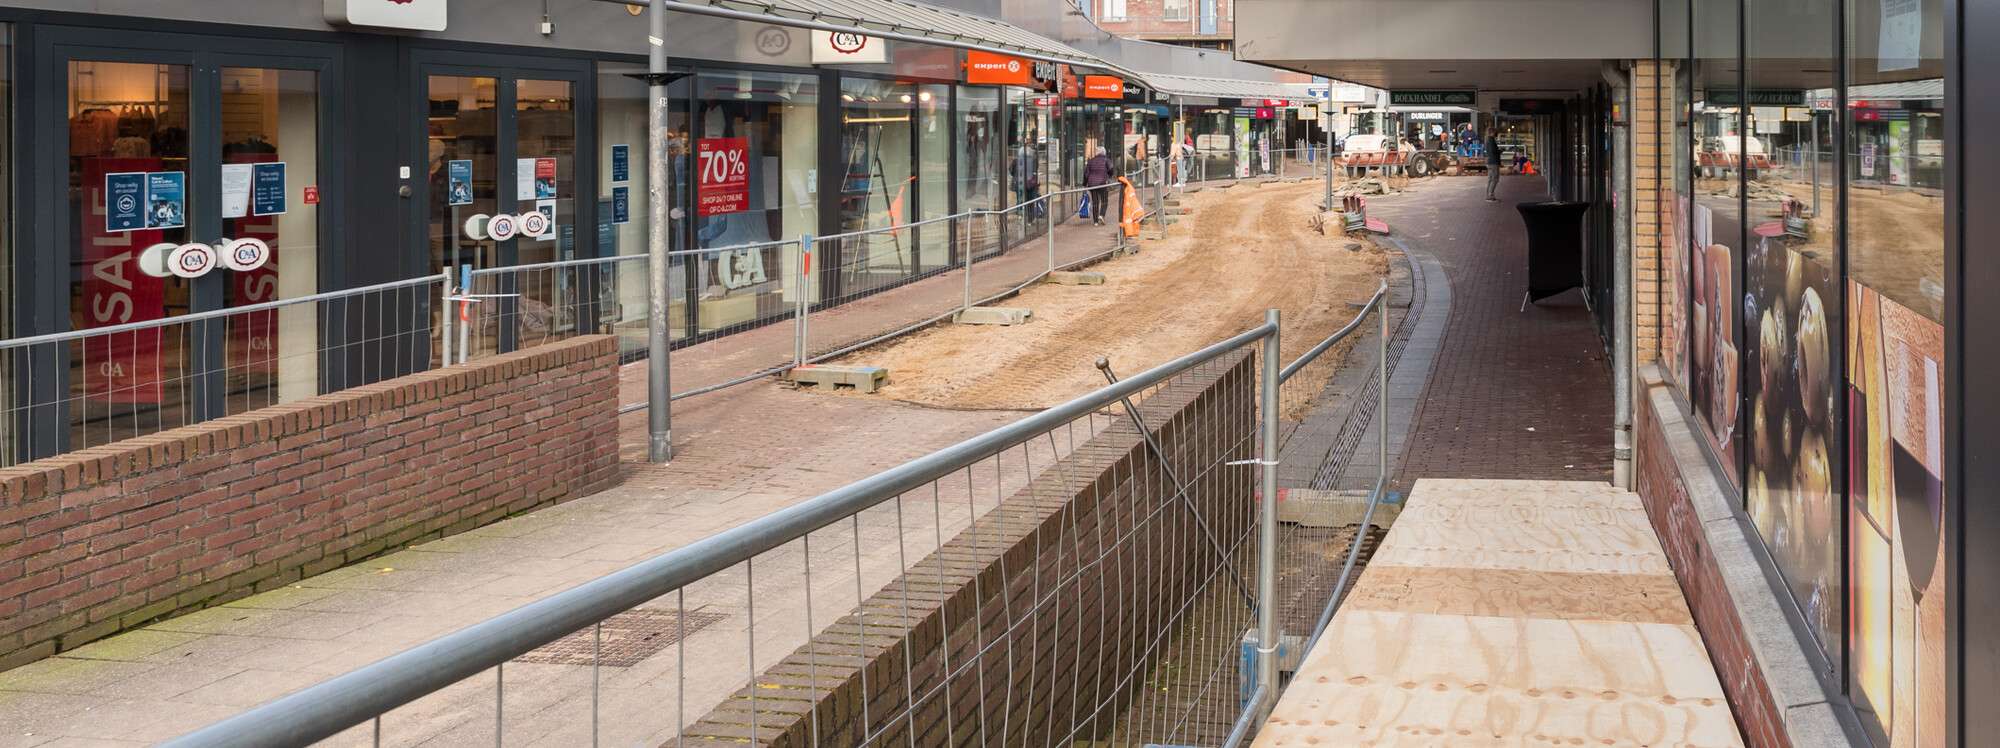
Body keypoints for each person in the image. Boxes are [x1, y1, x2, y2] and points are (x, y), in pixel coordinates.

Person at [1084, 145, 1114, 226]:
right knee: (1104, 200)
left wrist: (1084, 183)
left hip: (1092, 184)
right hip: (1102, 183)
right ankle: (1102, 215)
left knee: (1095, 201)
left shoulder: (1091, 161)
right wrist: (1110, 174)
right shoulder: (1106, 160)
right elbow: (1111, 168)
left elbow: (1086, 173)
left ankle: (1095, 221)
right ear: (1104, 152)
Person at [1483, 126, 1502, 203]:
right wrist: (1499, 151)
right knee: (1495, 179)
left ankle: (1488, 195)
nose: (1496, 133)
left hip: (1489, 161)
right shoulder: (1491, 140)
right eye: (1495, 132)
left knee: (1490, 179)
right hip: (1493, 162)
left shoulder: (1488, 140)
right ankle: (1490, 196)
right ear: (1492, 132)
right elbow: (1493, 150)